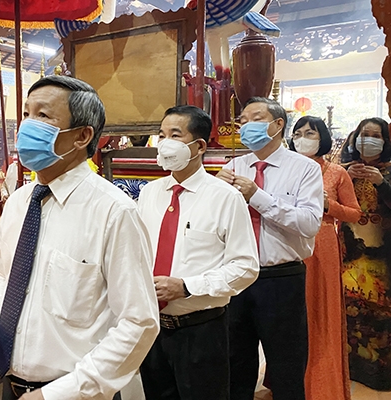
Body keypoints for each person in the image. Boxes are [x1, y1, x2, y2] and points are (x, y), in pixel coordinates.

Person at [0, 75, 159, 400]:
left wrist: (62, 393)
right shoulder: (21, 202)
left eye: (43, 116)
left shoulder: (113, 211)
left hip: (78, 393)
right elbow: (8, 278)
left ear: (82, 135)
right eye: (25, 114)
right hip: (13, 383)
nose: (26, 126)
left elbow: (139, 322)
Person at [137, 105, 259, 399]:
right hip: (151, 328)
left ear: (199, 145)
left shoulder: (225, 198)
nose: (165, 143)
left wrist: (187, 286)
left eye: (175, 135)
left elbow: (246, 266)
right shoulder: (149, 193)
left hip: (201, 330)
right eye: (161, 135)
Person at [216, 97, 323, 400]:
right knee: (236, 362)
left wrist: (257, 195)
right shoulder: (233, 166)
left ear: (278, 125)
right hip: (236, 276)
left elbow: (309, 223)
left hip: (280, 278)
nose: (247, 125)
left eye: (256, 118)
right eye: (243, 120)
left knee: (286, 365)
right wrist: (214, 190)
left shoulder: (304, 169)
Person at [289, 116, 361, 400]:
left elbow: (355, 213)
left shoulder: (336, 173)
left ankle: (322, 386)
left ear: (323, 138)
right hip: (289, 245)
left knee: (320, 312)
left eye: (310, 133)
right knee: (292, 315)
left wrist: (329, 206)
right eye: (298, 133)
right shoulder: (284, 170)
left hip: (323, 246)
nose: (303, 137)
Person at [340, 117, 391, 391]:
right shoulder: (341, 170)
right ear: (354, 138)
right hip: (347, 255)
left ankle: (380, 375)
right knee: (350, 311)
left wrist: (382, 183)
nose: (369, 139)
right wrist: (345, 178)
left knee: (381, 313)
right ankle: (349, 369)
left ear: (385, 142)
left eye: (376, 135)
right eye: (364, 133)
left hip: (384, 256)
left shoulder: (389, 171)